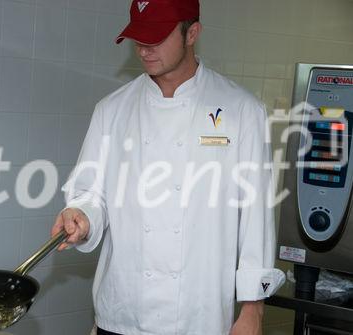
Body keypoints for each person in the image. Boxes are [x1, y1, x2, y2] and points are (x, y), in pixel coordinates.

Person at [51, 0, 286, 334]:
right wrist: (82, 216)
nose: (144, 50)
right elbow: (92, 193)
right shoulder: (111, 111)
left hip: (198, 316)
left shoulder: (243, 112)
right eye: (138, 38)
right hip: (121, 312)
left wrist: (253, 311)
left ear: (192, 33)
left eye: (157, 37)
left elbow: (256, 217)